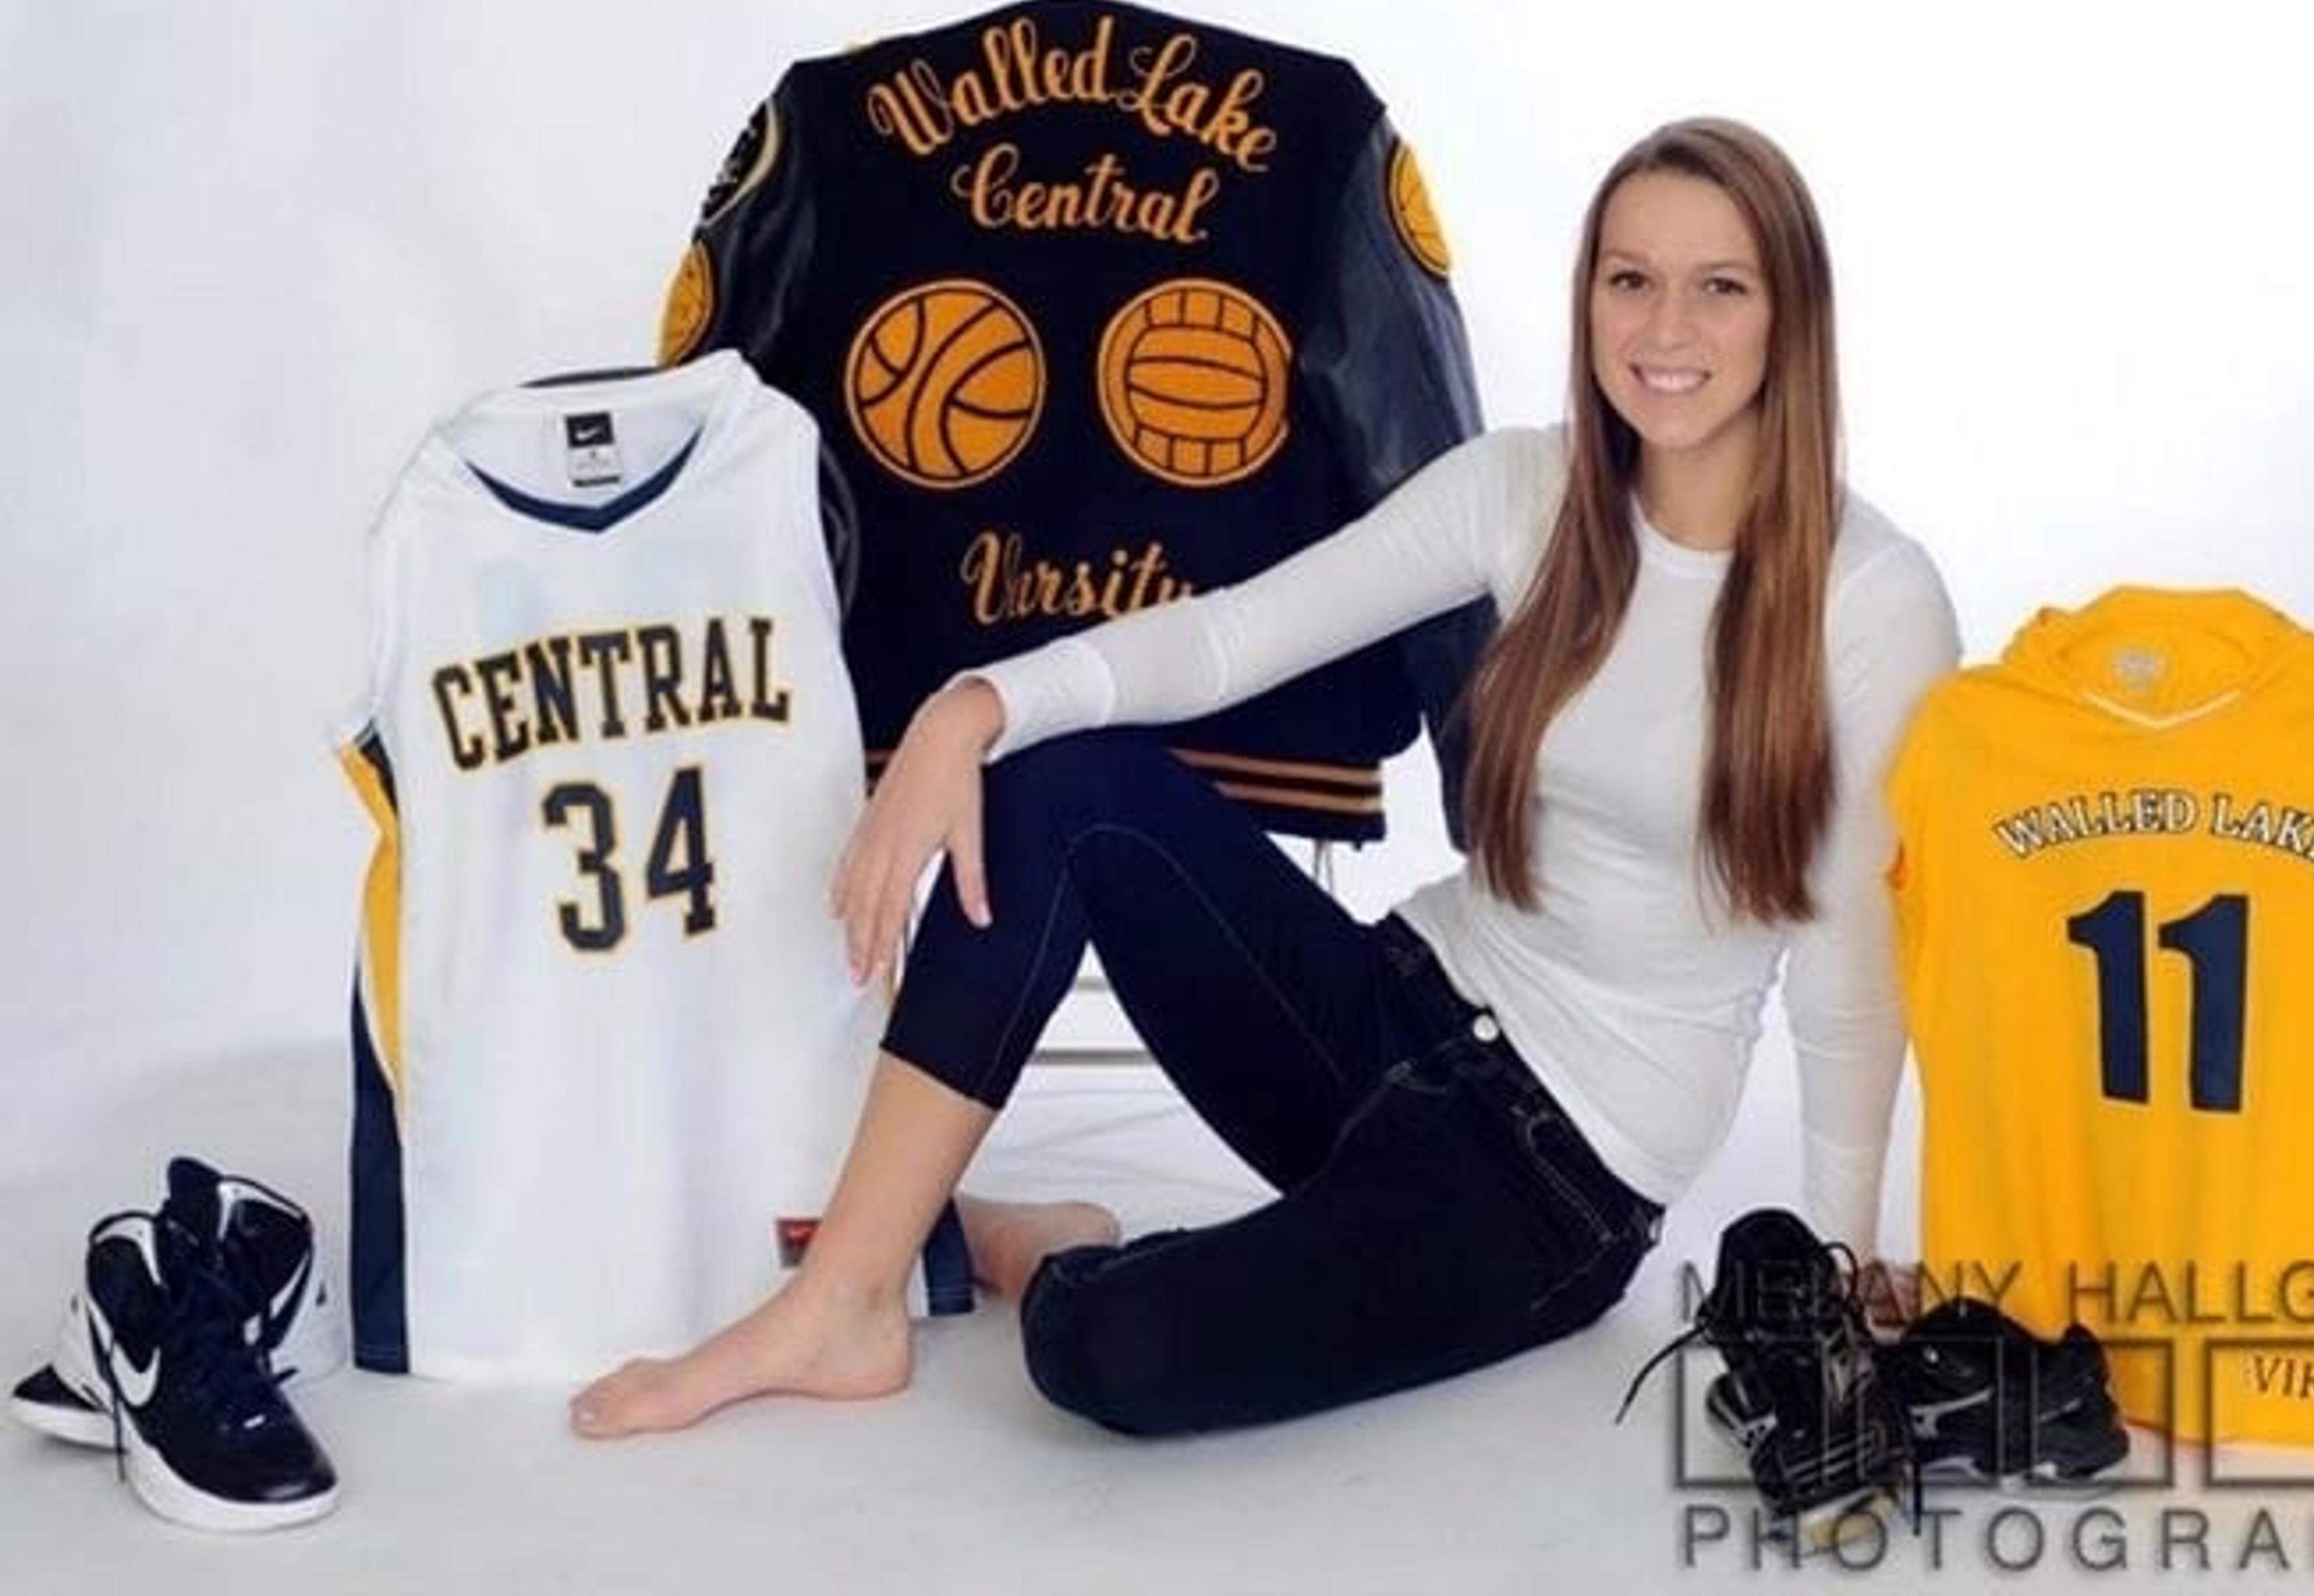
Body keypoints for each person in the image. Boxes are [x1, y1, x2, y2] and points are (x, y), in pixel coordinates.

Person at [569, 118, 1960, 1440]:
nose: (1665, 330)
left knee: (1106, 1355)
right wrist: (974, 704)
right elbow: (1238, 633)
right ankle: (845, 1299)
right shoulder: (1526, 492)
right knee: (1063, 783)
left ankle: (1024, 1239)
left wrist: (1834, 1284)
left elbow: (1849, 976)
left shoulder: (1868, 597)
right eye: (1631, 279)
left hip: (1554, 1177)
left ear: (1792, 316)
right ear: (1588, 296)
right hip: (1390, 1010)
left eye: (1720, 287)